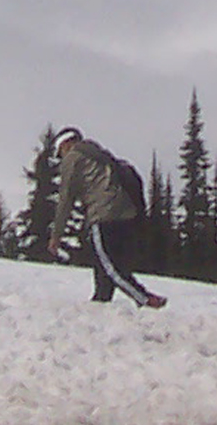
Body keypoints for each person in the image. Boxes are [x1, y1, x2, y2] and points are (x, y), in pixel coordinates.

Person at [47, 127, 166, 309]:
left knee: (110, 266)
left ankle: (144, 298)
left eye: (60, 152)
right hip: (126, 214)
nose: (61, 157)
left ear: (65, 144)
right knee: (104, 261)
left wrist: (56, 237)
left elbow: (65, 199)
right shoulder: (99, 155)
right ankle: (101, 302)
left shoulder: (73, 157)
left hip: (103, 214)